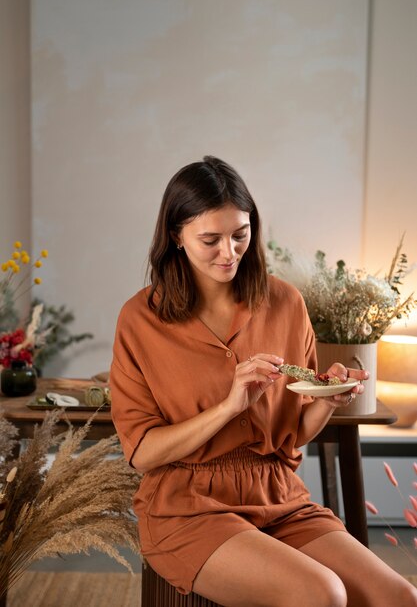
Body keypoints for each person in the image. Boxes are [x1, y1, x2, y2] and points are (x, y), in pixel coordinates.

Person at [110, 156, 417, 607]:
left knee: (399, 596)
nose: (229, 252)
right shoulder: (140, 320)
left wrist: (328, 398)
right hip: (187, 506)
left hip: (278, 495)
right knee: (322, 593)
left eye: (240, 234)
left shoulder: (285, 303)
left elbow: (295, 433)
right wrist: (228, 406)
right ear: (176, 236)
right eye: (210, 240)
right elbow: (142, 452)